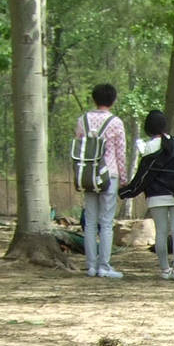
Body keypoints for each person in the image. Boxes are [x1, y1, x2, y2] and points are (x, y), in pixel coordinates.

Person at [118, 110, 174, 281]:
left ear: (148, 128)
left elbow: (144, 174)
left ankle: (164, 269)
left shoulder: (149, 147)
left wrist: (126, 191)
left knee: (161, 232)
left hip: (156, 196)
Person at [74, 83, 127, 279]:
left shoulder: (82, 120)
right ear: (112, 100)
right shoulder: (116, 122)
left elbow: (79, 146)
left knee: (90, 222)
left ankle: (91, 265)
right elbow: (120, 153)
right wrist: (124, 178)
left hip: (88, 174)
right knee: (106, 222)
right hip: (109, 174)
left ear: (94, 99)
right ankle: (104, 266)